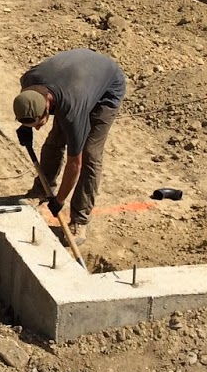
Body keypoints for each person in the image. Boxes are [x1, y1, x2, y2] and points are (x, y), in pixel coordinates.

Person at [13, 48, 127, 240]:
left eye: (39, 123)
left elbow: (76, 164)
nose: (38, 129)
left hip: (107, 87)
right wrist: (26, 127)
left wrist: (59, 201)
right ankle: (41, 190)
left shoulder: (72, 111)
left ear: (47, 106)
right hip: (76, 77)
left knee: (90, 154)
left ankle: (80, 219)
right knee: (54, 141)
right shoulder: (29, 81)